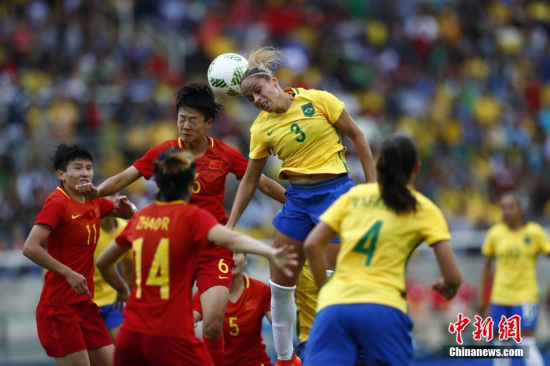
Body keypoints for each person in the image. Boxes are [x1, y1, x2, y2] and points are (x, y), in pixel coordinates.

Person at [77, 82, 286, 366]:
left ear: (209, 123)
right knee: (171, 324)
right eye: (181, 118)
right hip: (174, 246)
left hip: (213, 246)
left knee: (213, 324)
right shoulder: (165, 153)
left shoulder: (225, 154)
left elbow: (260, 182)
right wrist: (95, 192)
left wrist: (293, 201)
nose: (184, 126)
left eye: (192, 120)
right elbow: (123, 178)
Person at [226, 46, 377, 366]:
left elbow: (359, 137)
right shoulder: (260, 128)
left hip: (335, 195)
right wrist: (230, 224)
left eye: (257, 91)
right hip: (297, 201)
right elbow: (250, 181)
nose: (256, 100)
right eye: (249, 99)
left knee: (332, 280)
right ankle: (284, 358)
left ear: (273, 80)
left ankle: (351, 345)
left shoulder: (319, 99)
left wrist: (373, 188)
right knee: (279, 283)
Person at [95, 149, 296, 366]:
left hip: (131, 333)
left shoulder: (141, 217)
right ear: (191, 184)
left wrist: (122, 289)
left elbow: (103, 262)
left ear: (159, 185)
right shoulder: (191, 216)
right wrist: (270, 252)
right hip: (170, 332)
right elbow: (229, 240)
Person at [303, 134, 462, 366]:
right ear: (416, 168)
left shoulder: (354, 196)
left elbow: (311, 244)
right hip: (383, 307)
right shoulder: (424, 209)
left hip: (335, 306)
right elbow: (453, 277)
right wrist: (448, 286)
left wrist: (325, 290)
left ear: (380, 166)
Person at [22, 143, 136, 366]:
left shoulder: (92, 199)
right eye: (77, 168)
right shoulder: (56, 203)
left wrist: (126, 209)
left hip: (85, 305)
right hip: (58, 309)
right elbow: (30, 247)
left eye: (88, 167)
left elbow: (129, 212)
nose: (85, 173)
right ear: (61, 174)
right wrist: (68, 273)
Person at [479, 193, 549, 366]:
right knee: (501, 346)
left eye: (511, 207)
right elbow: (487, 266)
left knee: (526, 344)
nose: (506, 211)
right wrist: (481, 296)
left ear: (520, 209)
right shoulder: (495, 233)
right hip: (500, 296)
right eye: (503, 207)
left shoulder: (535, 232)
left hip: (525, 297)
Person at [193, 252, 273, 366]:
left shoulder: (261, 290)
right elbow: (190, 318)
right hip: (218, 362)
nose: (232, 258)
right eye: (227, 253)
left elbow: (277, 323)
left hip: (255, 361)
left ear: (245, 259)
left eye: (237, 253)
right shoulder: (206, 293)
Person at [93, 207, 134, 341]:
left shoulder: (125, 228)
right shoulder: (87, 228)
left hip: (114, 300)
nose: (113, 199)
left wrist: (131, 297)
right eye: (108, 195)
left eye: (115, 194)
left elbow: (129, 269)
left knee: (124, 350)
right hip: (87, 302)